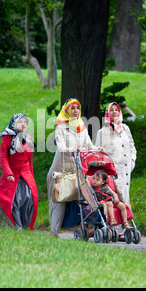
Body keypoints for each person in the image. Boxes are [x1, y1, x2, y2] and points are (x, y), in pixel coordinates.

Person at [46, 98, 104, 237]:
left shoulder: (81, 126)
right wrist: (71, 149)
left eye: (77, 108)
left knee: (82, 197)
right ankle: (53, 232)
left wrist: (98, 150)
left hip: (77, 168)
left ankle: (84, 228)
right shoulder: (61, 126)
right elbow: (60, 146)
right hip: (60, 168)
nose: (75, 111)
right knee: (59, 200)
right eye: (72, 108)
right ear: (67, 110)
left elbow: (89, 145)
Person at [0, 113, 38, 230]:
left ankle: (25, 225)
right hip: (12, 176)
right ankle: (16, 226)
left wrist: (31, 178)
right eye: (20, 122)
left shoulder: (28, 138)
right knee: (13, 201)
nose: (23, 124)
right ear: (14, 123)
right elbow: (3, 159)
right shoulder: (7, 138)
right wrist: (8, 173)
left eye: (25, 122)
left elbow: (29, 160)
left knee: (29, 199)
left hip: (25, 175)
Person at [95, 102, 136, 205]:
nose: (114, 112)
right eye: (111, 110)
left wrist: (132, 160)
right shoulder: (102, 132)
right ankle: (118, 220)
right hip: (113, 171)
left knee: (126, 194)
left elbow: (132, 147)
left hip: (127, 167)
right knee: (117, 196)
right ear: (107, 113)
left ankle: (126, 218)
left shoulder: (125, 128)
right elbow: (98, 153)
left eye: (116, 110)